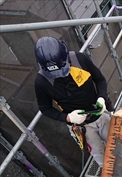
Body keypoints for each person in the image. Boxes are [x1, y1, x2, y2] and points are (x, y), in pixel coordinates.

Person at [34, 36, 113, 167]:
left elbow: (100, 80)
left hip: (100, 114)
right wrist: (68, 118)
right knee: (100, 156)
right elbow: (45, 108)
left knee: (116, 144)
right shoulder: (42, 81)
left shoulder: (79, 60)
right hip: (80, 126)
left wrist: (101, 97)